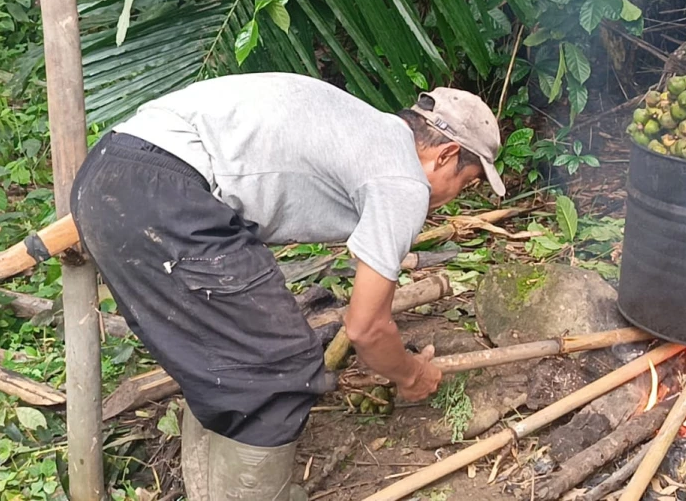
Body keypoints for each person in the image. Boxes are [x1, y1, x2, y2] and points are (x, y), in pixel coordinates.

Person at [70, 73, 505, 500]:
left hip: (110, 171)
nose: (451, 200)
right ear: (446, 154)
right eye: (464, 185)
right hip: (167, 193)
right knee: (279, 369)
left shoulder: (366, 132)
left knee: (222, 354)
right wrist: (411, 374)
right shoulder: (403, 179)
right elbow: (366, 328)